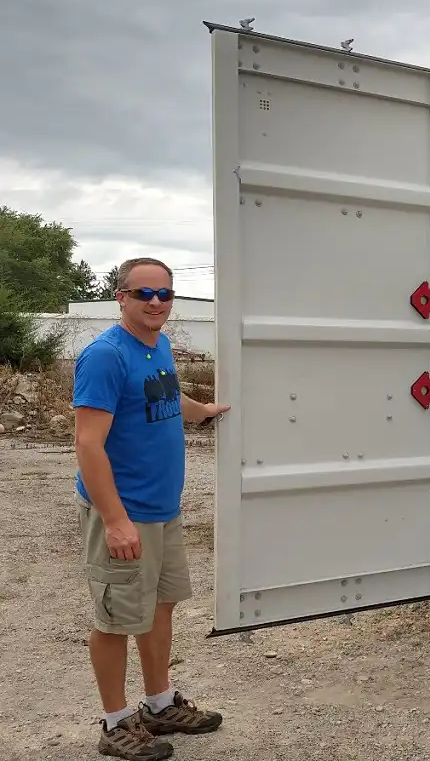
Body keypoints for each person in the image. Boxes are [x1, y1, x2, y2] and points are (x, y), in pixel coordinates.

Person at [73, 257, 229, 760]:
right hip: (126, 511)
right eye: (144, 294)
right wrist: (116, 520)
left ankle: (159, 706)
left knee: (160, 606)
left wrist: (200, 411)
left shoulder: (158, 344)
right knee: (117, 618)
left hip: (163, 508)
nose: (156, 302)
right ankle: (116, 722)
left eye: (164, 293)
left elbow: (163, 394)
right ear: (121, 297)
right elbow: (88, 444)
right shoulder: (105, 356)